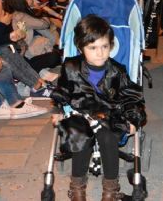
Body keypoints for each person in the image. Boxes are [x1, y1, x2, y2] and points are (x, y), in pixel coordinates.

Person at [52, 15, 145, 201]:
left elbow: (131, 97)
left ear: (111, 45)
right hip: (80, 114)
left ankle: (111, 187)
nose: (100, 53)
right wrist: (59, 110)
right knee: (79, 134)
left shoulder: (117, 71)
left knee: (108, 135)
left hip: (109, 114)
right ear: (81, 48)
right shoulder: (71, 67)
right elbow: (62, 91)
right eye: (92, 48)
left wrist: (133, 118)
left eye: (104, 46)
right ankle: (77, 186)